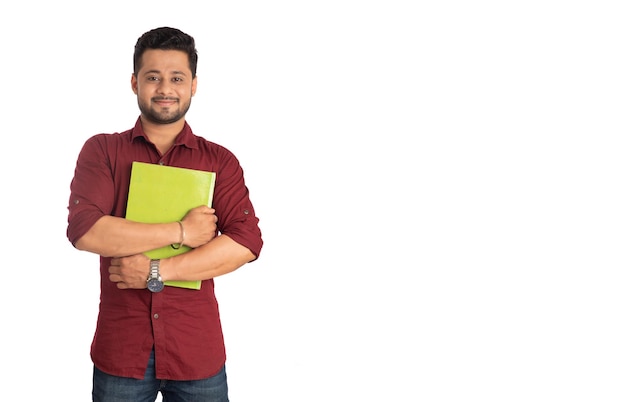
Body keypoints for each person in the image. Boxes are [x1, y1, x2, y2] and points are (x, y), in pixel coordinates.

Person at [66, 26, 263, 402]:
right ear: (134, 82)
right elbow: (86, 230)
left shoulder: (219, 160)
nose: (165, 89)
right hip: (122, 351)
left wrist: (156, 273)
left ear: (193, 85)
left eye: (177, 78)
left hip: (196, 351)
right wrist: (182, 231)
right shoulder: (103, 151)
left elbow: (246, 243)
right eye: (153, 77)